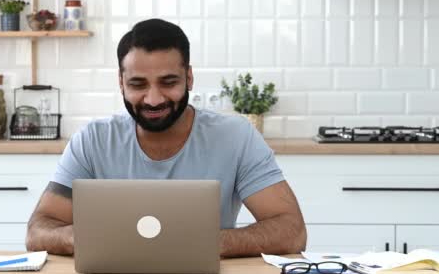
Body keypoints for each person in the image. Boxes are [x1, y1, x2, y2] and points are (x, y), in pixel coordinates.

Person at [26, 18, 306, 257]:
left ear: (190, 78)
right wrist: (83, 239)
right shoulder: (93, 140)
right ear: (121, 83)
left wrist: (207, 243)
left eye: (169, 82)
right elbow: (38, 230)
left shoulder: (236, 136)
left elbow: (292, 231)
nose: (154, 98)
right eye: (138, 84)